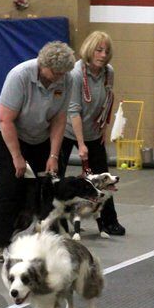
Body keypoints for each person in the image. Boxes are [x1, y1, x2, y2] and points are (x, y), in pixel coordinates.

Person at [0, 41, 75, 261]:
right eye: (55, 72)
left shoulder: (66, 79)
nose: (59, 77)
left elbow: (59, 118)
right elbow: (6, 119)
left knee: (45, 188)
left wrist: (53, 156)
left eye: (63, 73)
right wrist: (17, 157)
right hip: (8, 133)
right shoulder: (19, 76)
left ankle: (44, 240)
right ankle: (1, 243)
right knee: (10, 186)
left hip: (41, 134)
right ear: (42, 64)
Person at [59, 30, 125, 236]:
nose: (103, 55)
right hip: (69, 131)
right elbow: (73, 110)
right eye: (98, 50)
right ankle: (57, 222)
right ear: (90, 50)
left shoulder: (109, 72)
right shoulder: (76, 73)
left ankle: (108, 220)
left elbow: (107, 101)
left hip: (94, 131)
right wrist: (81, 143)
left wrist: (103, 128)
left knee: (104, 176)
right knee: (57, 177)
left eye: (106, 51)